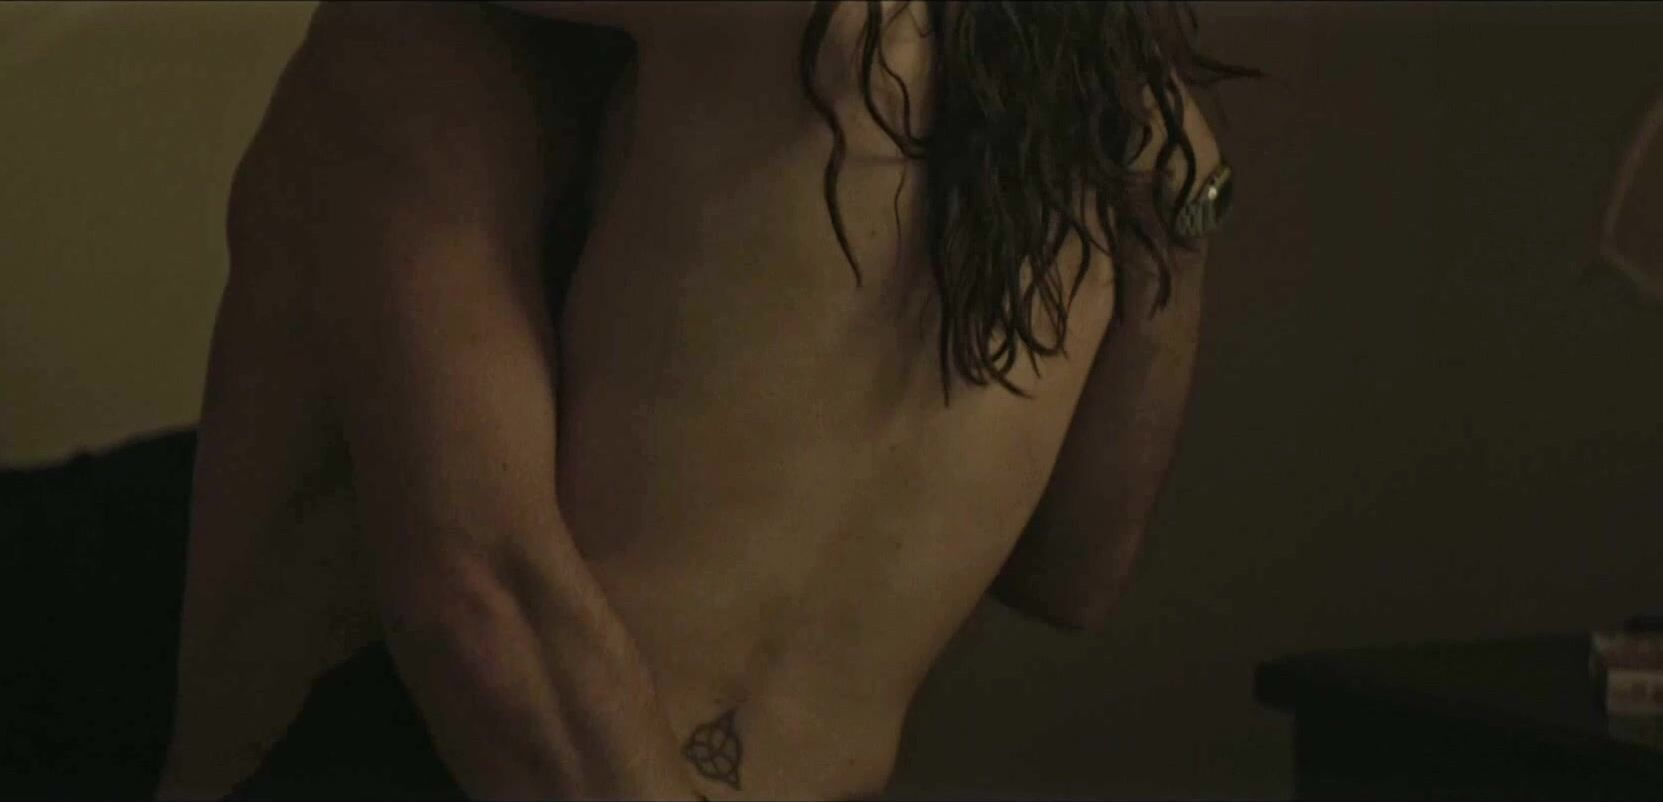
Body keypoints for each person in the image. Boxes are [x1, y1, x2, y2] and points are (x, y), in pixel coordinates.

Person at [157, 2, 1256, 800]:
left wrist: (1181, 220)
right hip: (492, 755)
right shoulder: (1090, 113)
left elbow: (1069, 576)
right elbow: (478, 611)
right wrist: (1184, 206)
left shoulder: (819, 44)